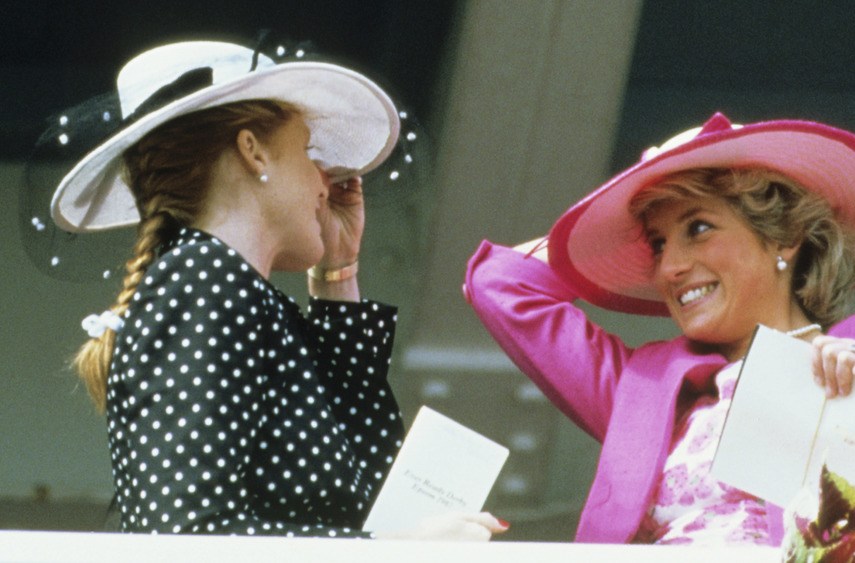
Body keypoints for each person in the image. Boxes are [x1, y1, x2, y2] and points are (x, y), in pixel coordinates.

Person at [41, 39, 506, 540]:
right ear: (253, 150)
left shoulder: (240, 295)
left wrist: (339, 271)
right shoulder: (202, 280)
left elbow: (371, 490)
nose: (325, 182)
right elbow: (185, 535)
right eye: (307, 151)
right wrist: (399, 549)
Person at [463, 113, 855, 549]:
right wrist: (588, 246)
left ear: (784, 238)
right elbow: (499, 284)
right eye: (656, 244)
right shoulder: (645, 387)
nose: (669, 267)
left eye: (698, 228)